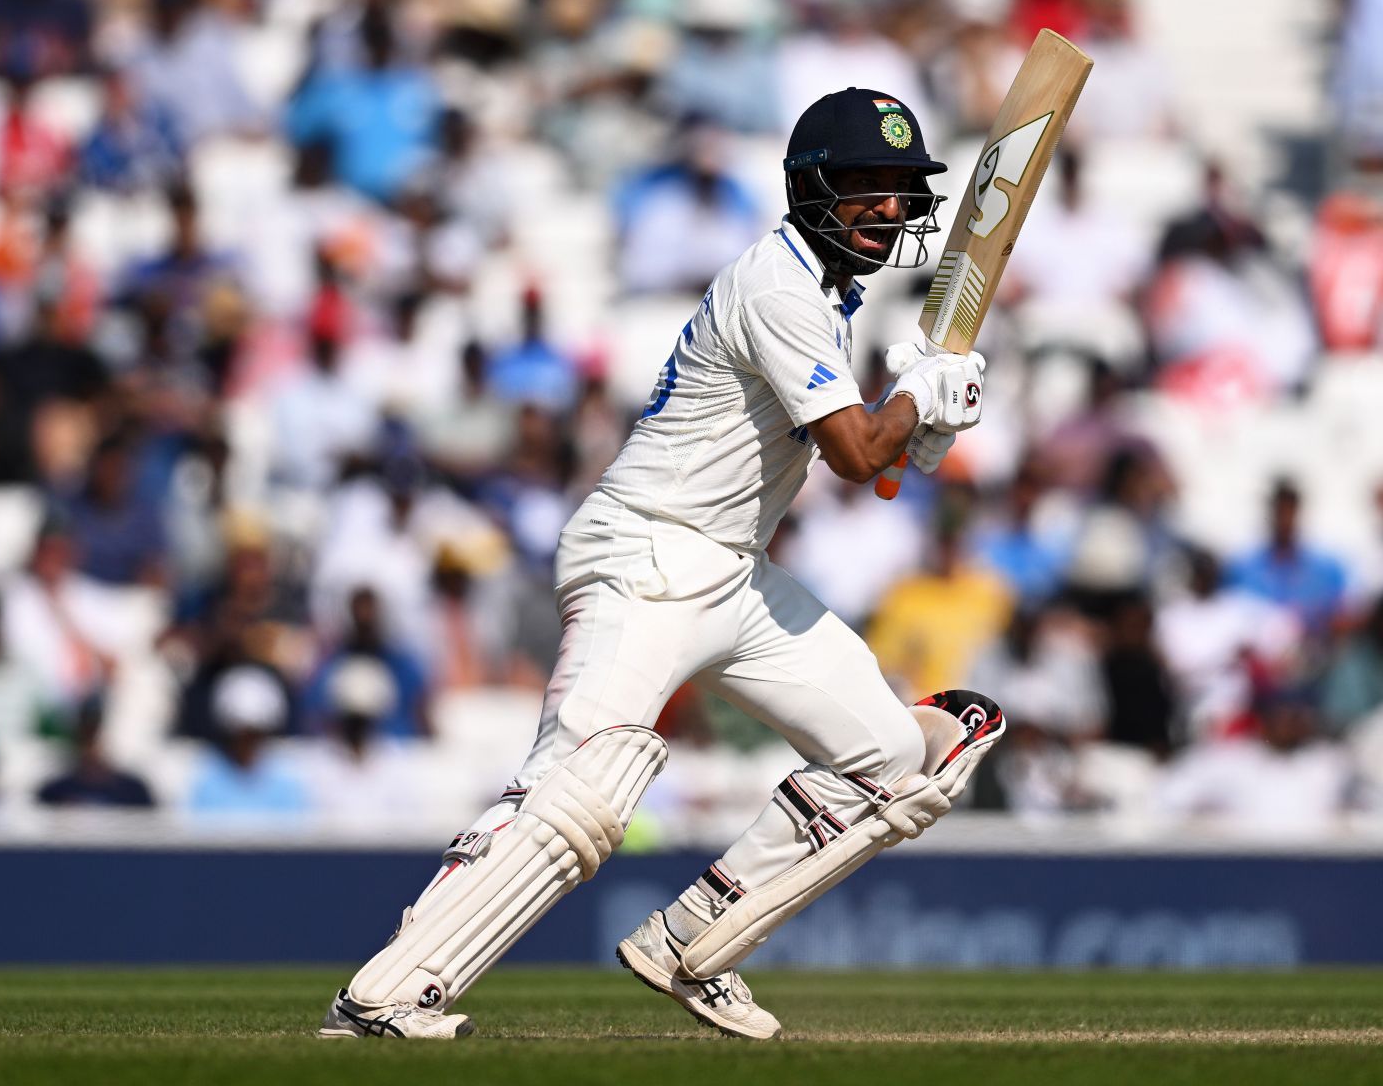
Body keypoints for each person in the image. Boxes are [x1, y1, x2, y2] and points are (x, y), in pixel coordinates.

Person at [320, 89, 1001, 1041]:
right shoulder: (777, 285)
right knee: (583, 782)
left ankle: (695, 940)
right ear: (813, 192)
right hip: (645, 553)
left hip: (731, 572)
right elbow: (852, 454)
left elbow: (865, 451)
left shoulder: (825, 295)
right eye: (867, 187)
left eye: (901, 189)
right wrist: (910, 405)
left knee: (896, 760)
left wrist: (914, 418)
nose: (890, 208)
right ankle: (384, 994)